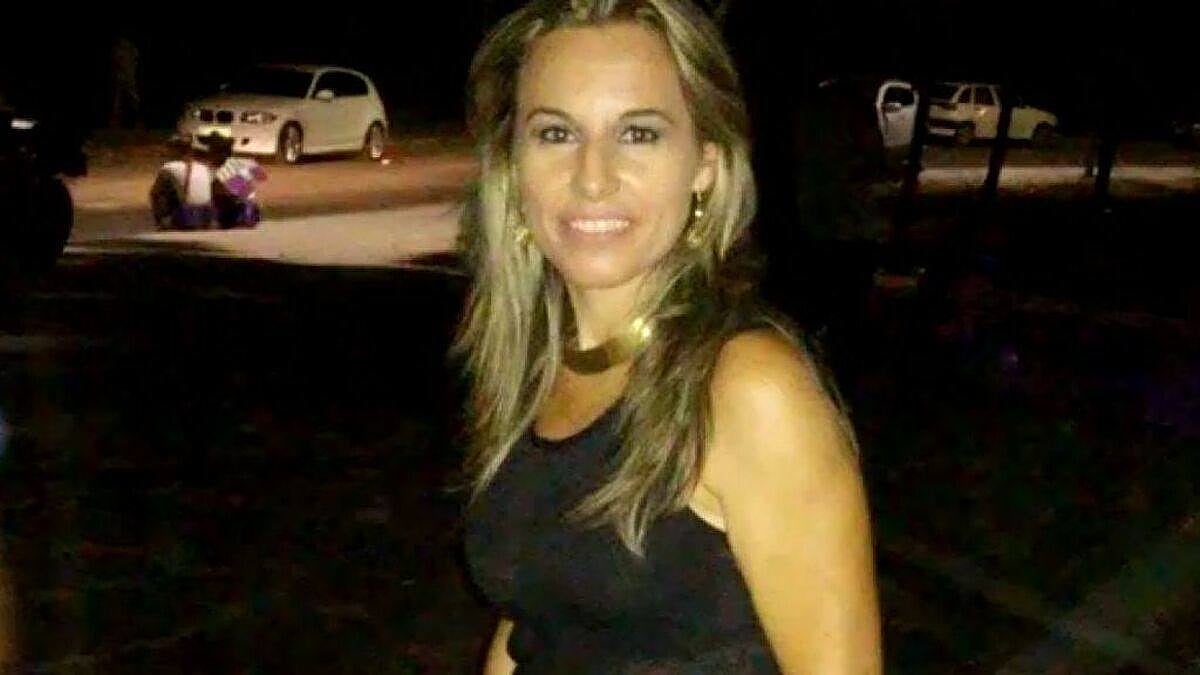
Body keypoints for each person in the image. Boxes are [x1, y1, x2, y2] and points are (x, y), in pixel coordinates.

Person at [456, 1, 882, 673]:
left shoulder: (749, 390)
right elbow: (534, 614)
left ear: (704, 166)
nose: (592, 177)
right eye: (556, 133)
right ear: (513, 167)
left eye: (639, 134)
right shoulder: (539, 366)